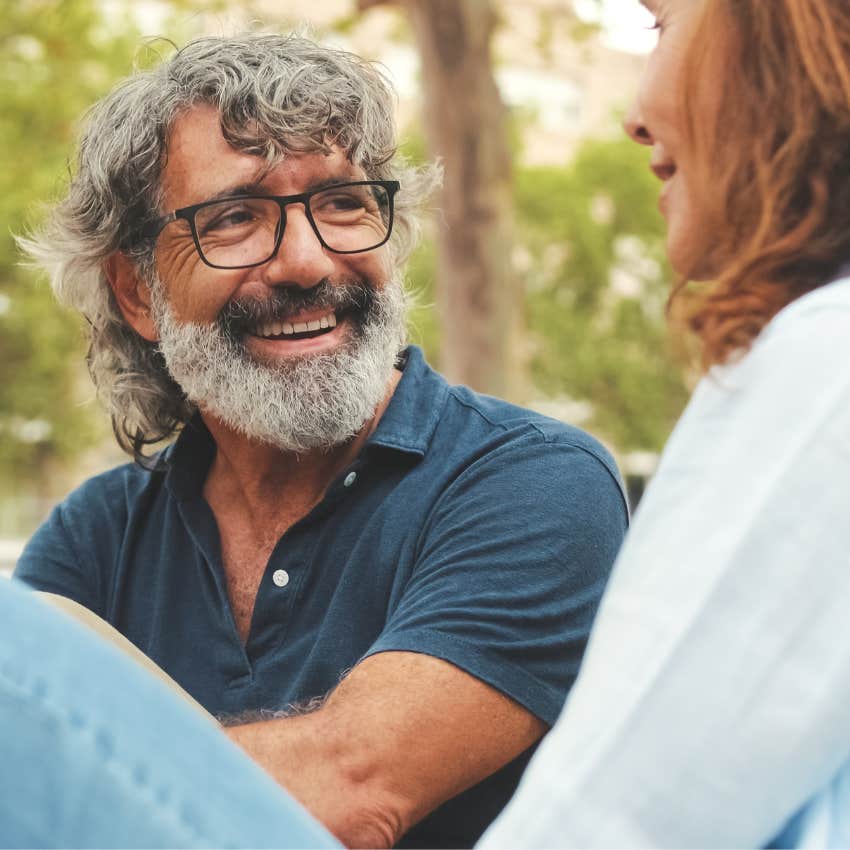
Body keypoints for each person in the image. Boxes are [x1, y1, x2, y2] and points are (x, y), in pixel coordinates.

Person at [13, 33, 628, 849]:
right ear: (138, 293)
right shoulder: (96, 539)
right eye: (235, 218)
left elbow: (352, 794)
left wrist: (66, 784)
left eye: (344, 203)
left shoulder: (535, 485)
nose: (306, 261)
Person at [479, 0, 850, 845]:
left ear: (787, 46)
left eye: (661, 25)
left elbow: (613, 822)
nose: (634, 118)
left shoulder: (828, 366)